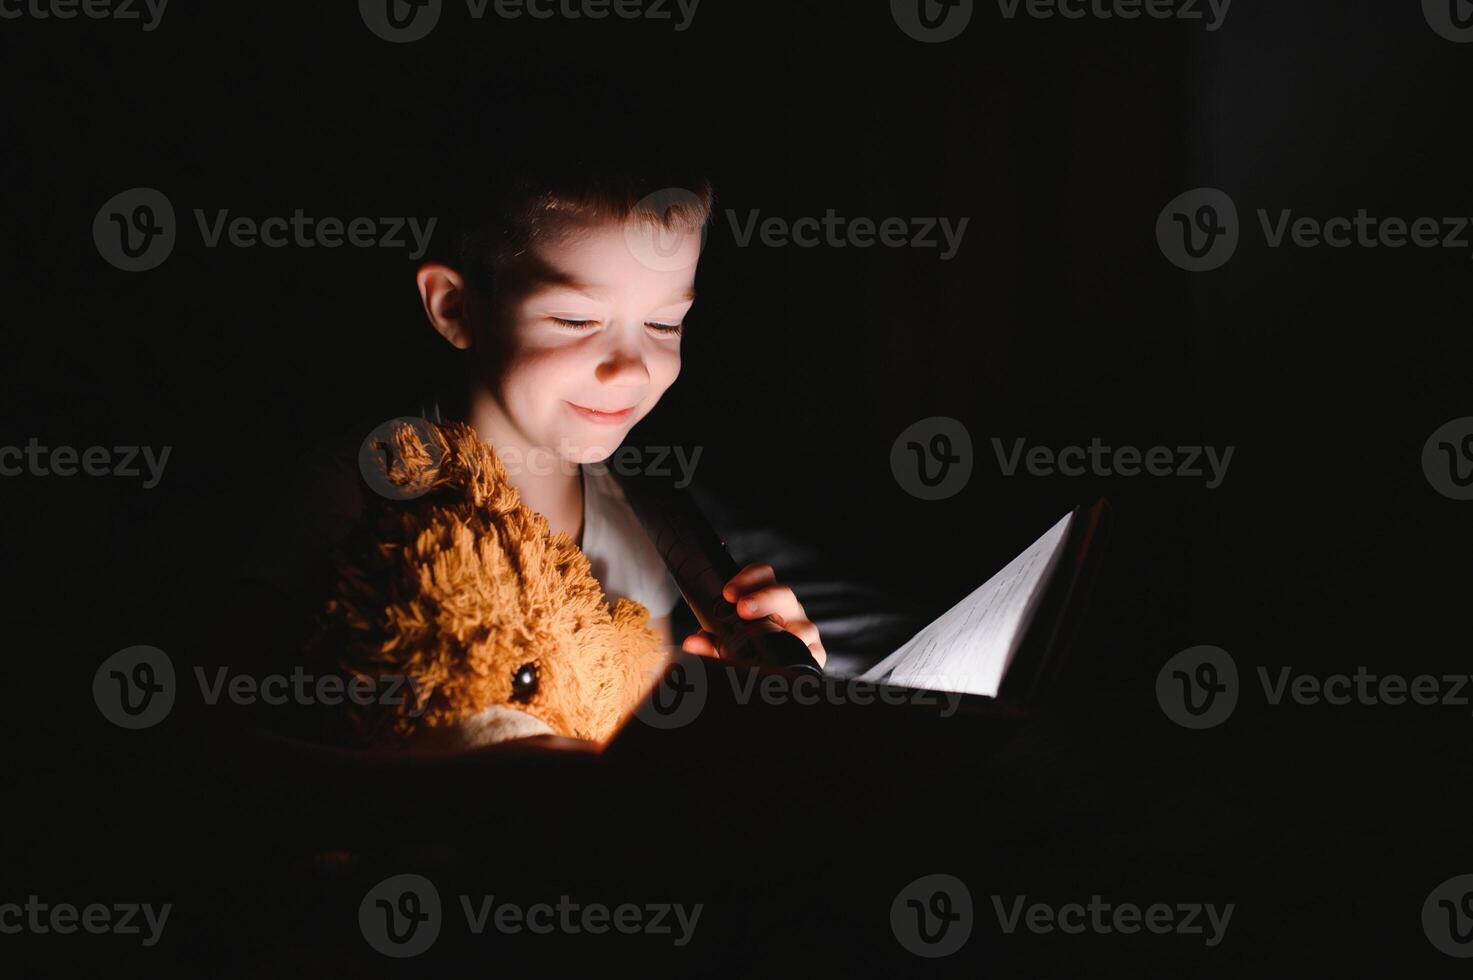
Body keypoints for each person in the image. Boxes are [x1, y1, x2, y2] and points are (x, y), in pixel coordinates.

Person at [412, 158, 827, 669]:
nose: (631, 371)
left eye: (664, 324)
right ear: (455, 307)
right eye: (576, 319)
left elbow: (615, 717)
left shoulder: (645, 531)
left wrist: (742, 703)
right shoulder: (353, 498)